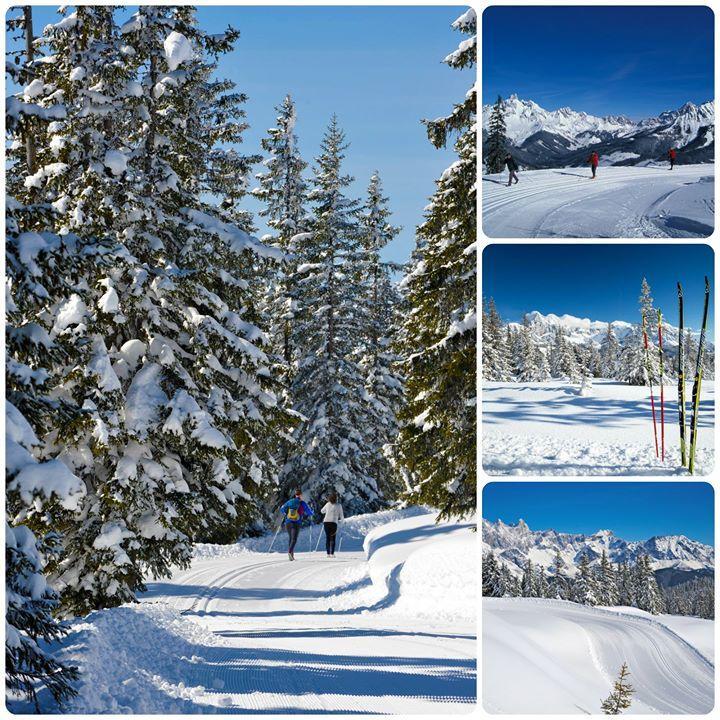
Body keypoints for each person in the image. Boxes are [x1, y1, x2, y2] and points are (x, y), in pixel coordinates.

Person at [280, 489, 313, 561]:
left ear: (295, 495)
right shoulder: (302, 503)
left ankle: (291, 555)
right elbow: (309, 512)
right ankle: (289, 552)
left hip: (288, 522)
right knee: (294, 539)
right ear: (300, 495)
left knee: (291, 538)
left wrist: (286, 513)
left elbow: (282, 509)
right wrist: (312, 512)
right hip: (296, 522)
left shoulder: (290, 501)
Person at [320, 492, 344, 557]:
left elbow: (322, 511)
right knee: (333, 538)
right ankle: (332, 553)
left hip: (326, 522)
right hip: (333, 523)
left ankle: (328, 553)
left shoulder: (327, 504)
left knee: (328, 538)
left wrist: (327, 511)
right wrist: (342, 522)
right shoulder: (339, 505)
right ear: (336, 498)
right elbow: (341, 515)